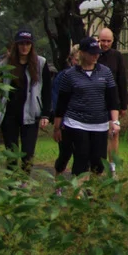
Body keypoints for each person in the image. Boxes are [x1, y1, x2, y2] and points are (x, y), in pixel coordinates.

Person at [52, 36, 121, 176]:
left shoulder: (105, 72)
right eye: (92, 53)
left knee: (98, 161)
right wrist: (57, 127)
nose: (96, 56)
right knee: (81, 158)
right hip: (76, 122)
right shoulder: (69, 75)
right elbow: (62, 102)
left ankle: (93, 192)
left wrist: (115, 121)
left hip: (100, 122)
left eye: (97, 53)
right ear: (82, 53)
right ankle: (78, 192)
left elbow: (112, 99)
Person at [0, 29, 54, 170]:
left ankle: (23, 184)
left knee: (28, 154)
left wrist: (46, 114)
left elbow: (47, 90)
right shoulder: (5, 64)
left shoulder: (40, 63)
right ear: (16, 45)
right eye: (21, 44)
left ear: (32, 46)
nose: (25, 47)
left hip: (31, 114)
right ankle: (11, 188)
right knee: (11, 154)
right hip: (10, 114)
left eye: (28, 44)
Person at [96, 28, 128, 174]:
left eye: (108, 41)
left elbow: (122, 80)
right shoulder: (94, 55)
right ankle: (98, 163)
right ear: (98, 40)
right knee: (100, 134)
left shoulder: (117, 56)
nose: (105, 44)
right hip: (96, 100)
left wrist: (123, 104)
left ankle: (113, 165)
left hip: (113, 101)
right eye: (103, 41)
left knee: (114, 133)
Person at [50, 47, 80, 175]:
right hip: (66, 122)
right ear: (71, 59)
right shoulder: (63, 76)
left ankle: (79, 188)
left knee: (82, 156)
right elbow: (56, 99)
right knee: (65, 154)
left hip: (83, 122)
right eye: (77, 59)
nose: (79, 62)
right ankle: (58, 182)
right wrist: (58, 123)